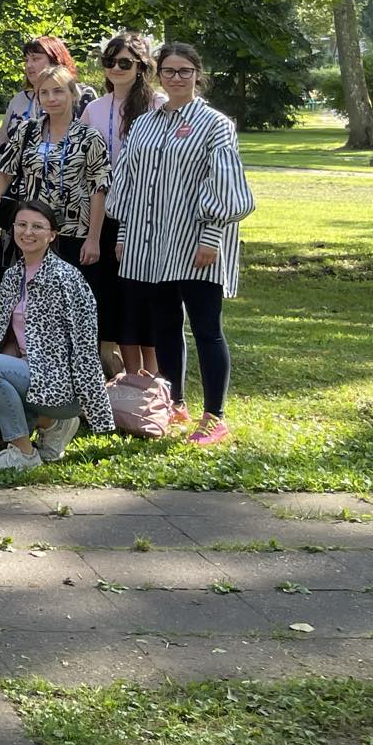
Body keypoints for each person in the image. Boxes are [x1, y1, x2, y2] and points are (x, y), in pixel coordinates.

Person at [107, 42, 254, 447]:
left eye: (185, 70)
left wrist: (211, 235)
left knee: (207, 328)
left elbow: (223, 185)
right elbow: (128, 181)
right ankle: (175, 403)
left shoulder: (215, 124)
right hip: (150, 241)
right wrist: (123, 234)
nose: (176, 77)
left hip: (195, 242)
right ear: (158, 76)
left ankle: (215, 416)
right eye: (169, 71)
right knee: (166, 326)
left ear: (197, 74)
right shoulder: (144, 124)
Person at [0, 200, 113, 469]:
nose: (28, 232)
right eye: (21, 225)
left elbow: (84, 345)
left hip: (62, 382)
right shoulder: (13, 276)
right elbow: (10, 338)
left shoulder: (67, 279)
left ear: (52, 235)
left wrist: (91, 401)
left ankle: (23, 452)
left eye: (37, 227)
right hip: (25, 372)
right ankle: (49, 423)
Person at [0, 65, 110, 288]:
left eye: (58, 91)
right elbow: (4, 175)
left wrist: (93, 238)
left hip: (73, 232)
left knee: (67, 299)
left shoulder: (89, 137)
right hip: (31, 231)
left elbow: (98, 189)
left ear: (73, 93)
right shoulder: (26, 131)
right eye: (44, 92)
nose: (51, 98)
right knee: (28, 296)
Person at [82, 30, 164, 373]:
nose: (116, 67)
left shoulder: (157, 105)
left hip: (147, 212)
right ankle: (126, 375)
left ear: (141, 66)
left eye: (125, 62)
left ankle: (158, 376)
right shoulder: (93, 109)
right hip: (104, 210)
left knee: (145, 295)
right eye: (109, 61)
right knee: (114, 294)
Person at [0, 36, 97, 136]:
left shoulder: (84, 95)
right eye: (26, 60)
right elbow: (1, 145)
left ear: (55, 60)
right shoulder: (19, 100)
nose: (29, 65)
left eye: (35, 59)